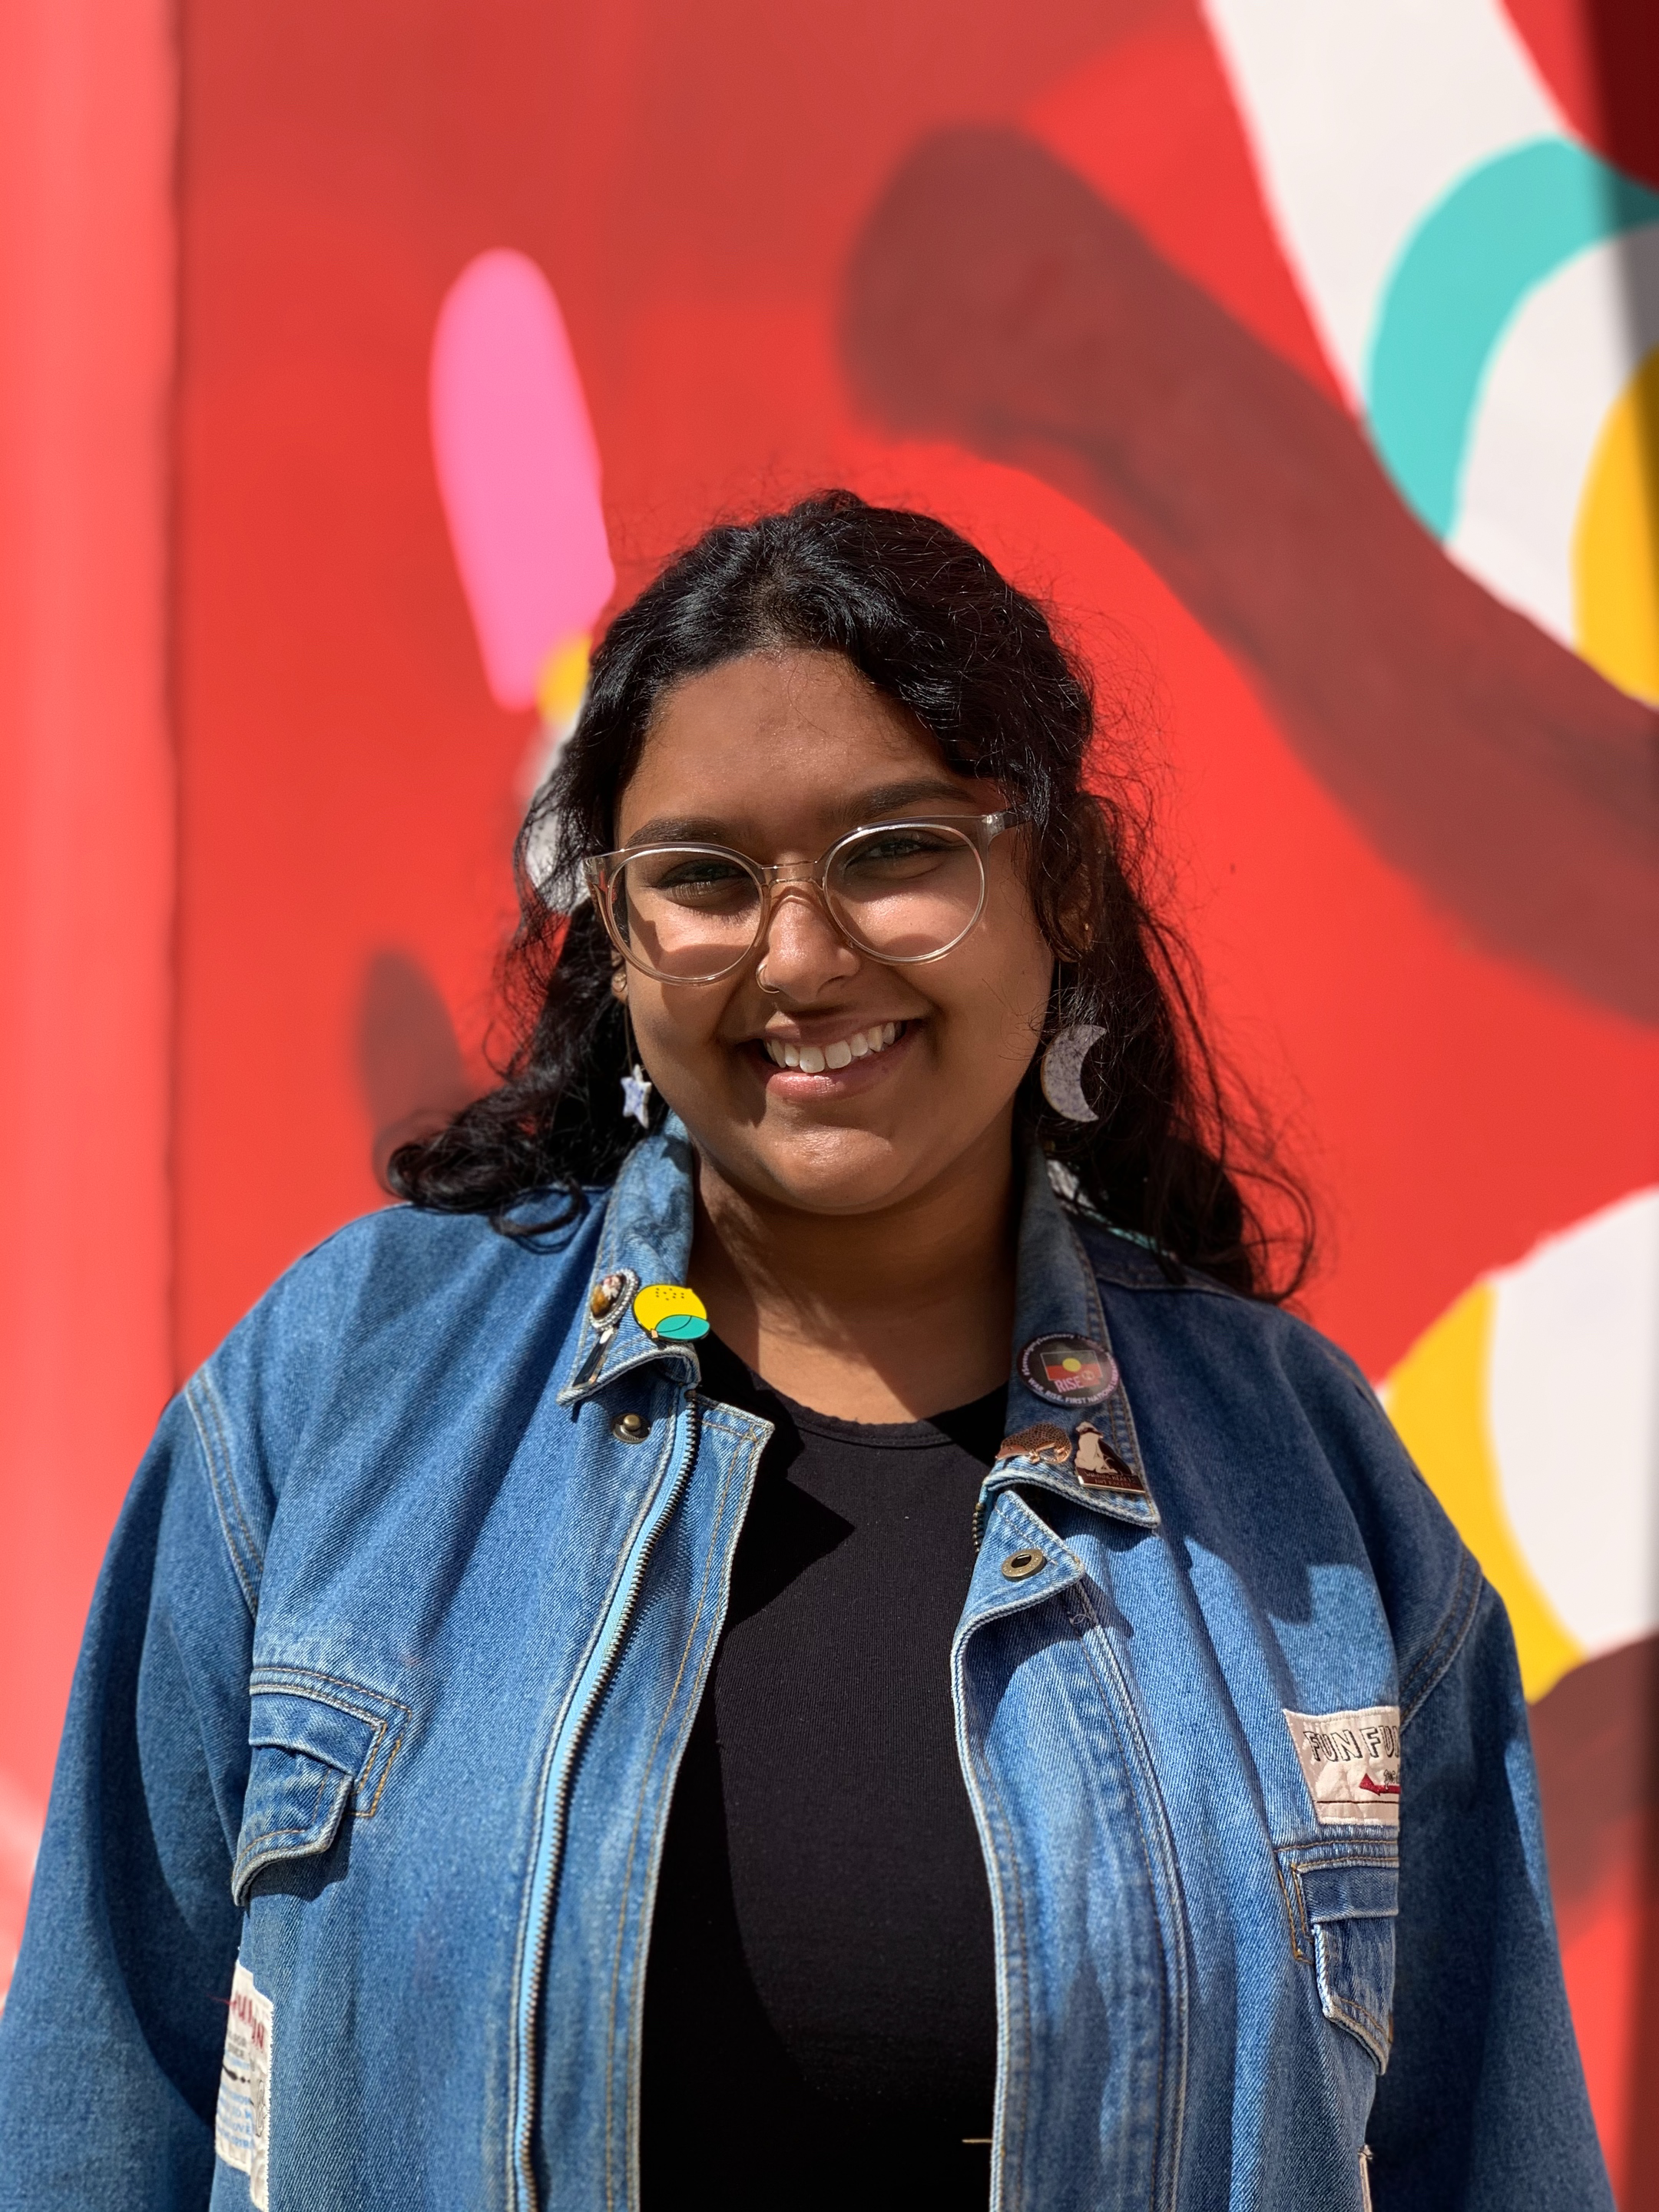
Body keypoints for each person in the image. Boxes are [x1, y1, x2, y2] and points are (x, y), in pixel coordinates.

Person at [0, 493, 1608, 2212]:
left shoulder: (1303, 1487)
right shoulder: (334, 1400)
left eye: (896, 852)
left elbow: (1487, 2151)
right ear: (618, 941)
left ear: (1054, 880)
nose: (799, 954)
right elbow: (103, 2109)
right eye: (701, 879)